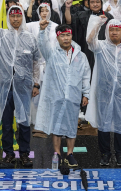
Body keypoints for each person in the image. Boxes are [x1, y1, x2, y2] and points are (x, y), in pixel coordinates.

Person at [0, 0, 40, 168]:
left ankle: (24, 154)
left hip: (23, 86)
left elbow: (36, 62)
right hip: (5, 87)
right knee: (6, 122)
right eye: (12, 16)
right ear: (8, 17)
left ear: (22, 18)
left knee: (24, 122)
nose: (15, 19)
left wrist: (36, 84)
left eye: (18, 16)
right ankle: (8, 154)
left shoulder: (30, 38)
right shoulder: (0, 35)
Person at [36, 17, 91, 168]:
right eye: (62, 35)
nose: (66, 38)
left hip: (73, 96)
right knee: (57, 126)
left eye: (68, 35)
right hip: (57, 96)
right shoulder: (52, 54)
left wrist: (86, 94)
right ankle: (57, 154)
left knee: (72, 126)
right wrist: (41, 31)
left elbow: (86, 75)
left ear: (71, 36)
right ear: (58, 37)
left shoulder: (80, 55)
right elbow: (42, 45)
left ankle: (70, 154)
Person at [85, 16, 121, 167]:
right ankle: (105, 154)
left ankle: (120, 155)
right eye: (111, 30)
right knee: (104, 124)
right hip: (104, 94)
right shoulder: (100, 46)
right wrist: (98, 24)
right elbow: (90, 40)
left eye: (117, 30)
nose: (114, 32)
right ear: (107, 32)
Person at [65, 0, 114, 70]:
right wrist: (67, 8)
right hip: (86, 51)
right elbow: (69, 21)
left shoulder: (108, 16)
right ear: (88, 4)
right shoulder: (82, 15)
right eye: (92, 2)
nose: (95, 4)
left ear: (101, 3)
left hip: (104, 52)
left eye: (97, 2)